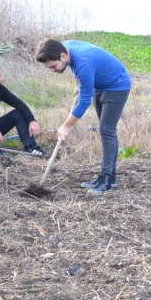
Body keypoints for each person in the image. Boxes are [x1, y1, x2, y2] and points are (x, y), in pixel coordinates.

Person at [35, 38, 130, 195]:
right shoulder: (66, 47)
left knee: (106, 130)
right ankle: (110, 178)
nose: (52, 70)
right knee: (106, 131)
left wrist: (66, 125)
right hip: (99, 85)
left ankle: (106, 179)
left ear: (63, 56)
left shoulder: (84, 64)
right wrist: (78, 84)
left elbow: (84, 103)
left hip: (116, 86)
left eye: (53, 66)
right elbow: (74, 67)